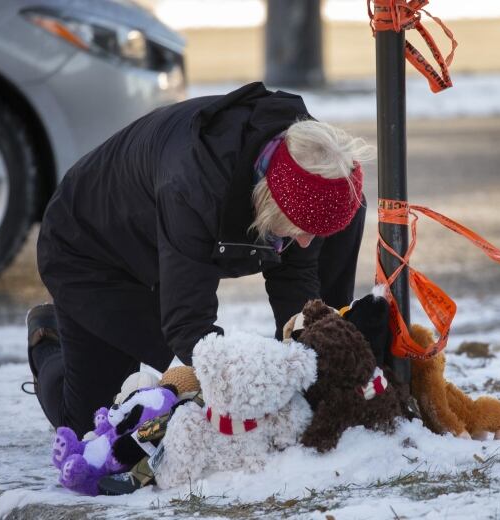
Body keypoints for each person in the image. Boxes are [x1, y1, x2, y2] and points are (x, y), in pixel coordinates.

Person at [25, 82, 373, 437]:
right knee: (96, 423)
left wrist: (312, 370)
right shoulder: (193, 187)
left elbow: (298, 284)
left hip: (167, 239)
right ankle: (49, 337)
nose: (306, 241)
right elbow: (189, 328)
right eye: (299, 228)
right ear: (268, 198)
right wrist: (248, 389)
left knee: (332, 237)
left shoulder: (314, 169)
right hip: (91, 250)